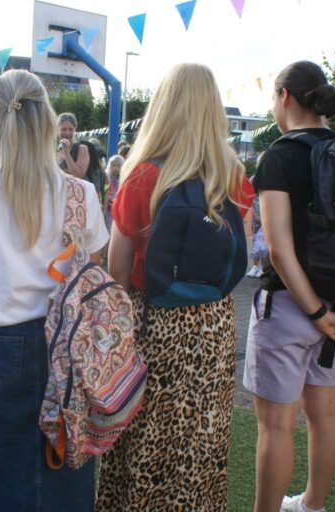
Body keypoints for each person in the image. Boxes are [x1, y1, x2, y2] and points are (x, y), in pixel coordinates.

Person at [0, 69, 107, 511]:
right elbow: (91, 269)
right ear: (48, 121)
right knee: (67, 467)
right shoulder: (81, 192)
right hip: (68, 345)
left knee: (3, 472)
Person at [98, 63, 253, 512]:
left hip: (153, 320)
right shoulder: (234, 179)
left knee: (146, 434)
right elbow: (238, 255)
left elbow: (118, 270)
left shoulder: (143, 175)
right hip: (213, 325)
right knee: (202, 435)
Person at [242, 60, 335, 512]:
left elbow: (277, 248)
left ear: (284, 97)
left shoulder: (279, 154)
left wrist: (314, 311)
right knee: (323, 415)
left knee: (276, 426)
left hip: (292, 308)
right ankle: (312, 506)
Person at [56, 112, 89, 178]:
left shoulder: (81, 149)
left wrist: (67, 154)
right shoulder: (53, 149)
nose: (67, 133)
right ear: (57, 130)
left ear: (74, 130)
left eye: (71, 129)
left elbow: (78, 176)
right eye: (64, 129)